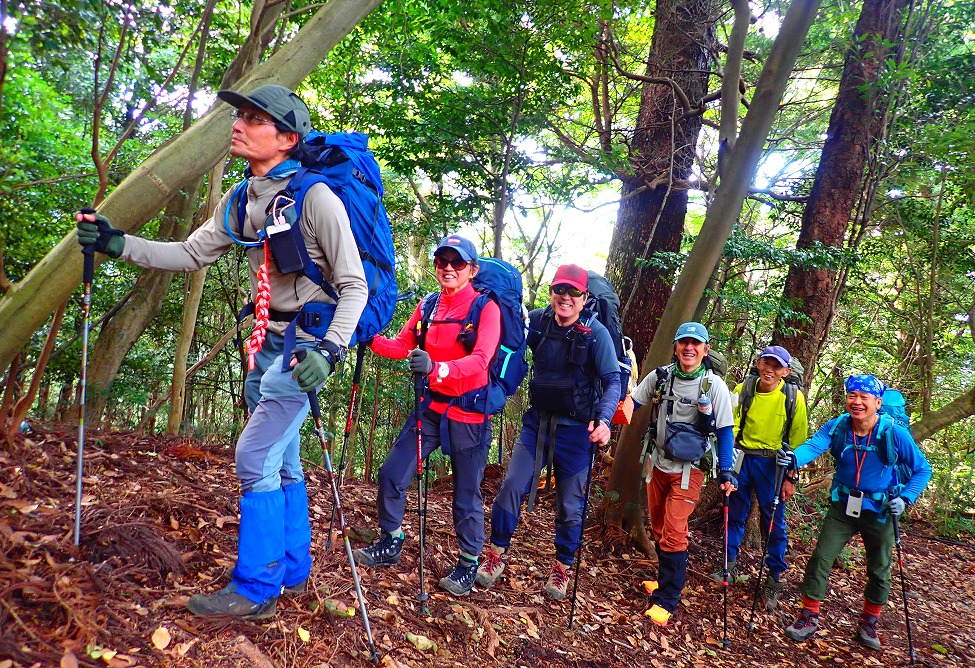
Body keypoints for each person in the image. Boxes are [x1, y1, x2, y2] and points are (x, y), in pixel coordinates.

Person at [76, 85, 368, 620]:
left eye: (255, 119)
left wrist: (330, 351)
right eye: (240, 116)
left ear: (287, 138)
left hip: (307, 346)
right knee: (283, 460)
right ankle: (291, 570)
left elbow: (354, 285)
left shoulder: (317, 198)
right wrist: (120, 245)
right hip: (266, 339)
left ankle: (256, 589)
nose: (238, 125)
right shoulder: (241, 198)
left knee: (254, 456)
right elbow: (191, 253)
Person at [352, 235, 500, 597]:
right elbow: (402, 346)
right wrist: (367, 336)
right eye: (441, 260)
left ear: (472, 270)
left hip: (469, 413)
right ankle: (391, 539)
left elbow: (481, 360)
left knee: (465, 493)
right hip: (431, 408)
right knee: (392, 473)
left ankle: (468, 562)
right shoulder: (429, 305)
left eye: (457, 262)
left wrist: (438, 367)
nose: (448, 267)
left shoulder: (486, 308)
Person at [475, 264, 620, 601]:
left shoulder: (596, 334)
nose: (565, 297)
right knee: (511, 485)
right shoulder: (538, 322)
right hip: (536, 424)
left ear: (584, 297)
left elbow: (612, 380)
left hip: (577, 432)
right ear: (552, 292)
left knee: (570, 505)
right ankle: (496, 553)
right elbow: (507, 342)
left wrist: (604, 420)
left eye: (573, 292)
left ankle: (562, 566)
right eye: (560, 290)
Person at [783, 375, 932, 651]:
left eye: (864, 397)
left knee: (880, 569)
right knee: (821, 558)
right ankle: (808, 616)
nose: (857, 402)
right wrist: (793, 458)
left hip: (880, 510)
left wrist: (906, 498)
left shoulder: (893, 433)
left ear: (878, 403)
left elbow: (923, 469)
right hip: (843, 505)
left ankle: (869, 622)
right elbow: (815, 445)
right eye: (852, 395)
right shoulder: (839, 425)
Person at [630, 322, 736, 627]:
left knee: (675, 529)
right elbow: (633, 402)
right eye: (684, 342)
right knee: (659, 526)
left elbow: (725, 431)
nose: (689, 348)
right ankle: (664, 581)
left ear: (705, 349)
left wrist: (727, 470)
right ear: (676, 347)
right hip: (658, 462)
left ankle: (667, 598)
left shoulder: (714, 386)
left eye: (695, 343)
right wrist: (603, 414)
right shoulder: (661, 377)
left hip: (690, 469)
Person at [711, 345, 807, 611]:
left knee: (774, 522)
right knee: (734, 513)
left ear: (786, 371)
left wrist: (791, 477)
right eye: (767, 363)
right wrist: (727, 463)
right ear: (758, 363)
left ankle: (774, 578)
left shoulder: (793, 398)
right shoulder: (745, 389)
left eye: (777, 366)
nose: (770, 370)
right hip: (742, 458)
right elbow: (730, 426)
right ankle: (728, 566)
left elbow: (798, 441)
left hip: (774, 464)